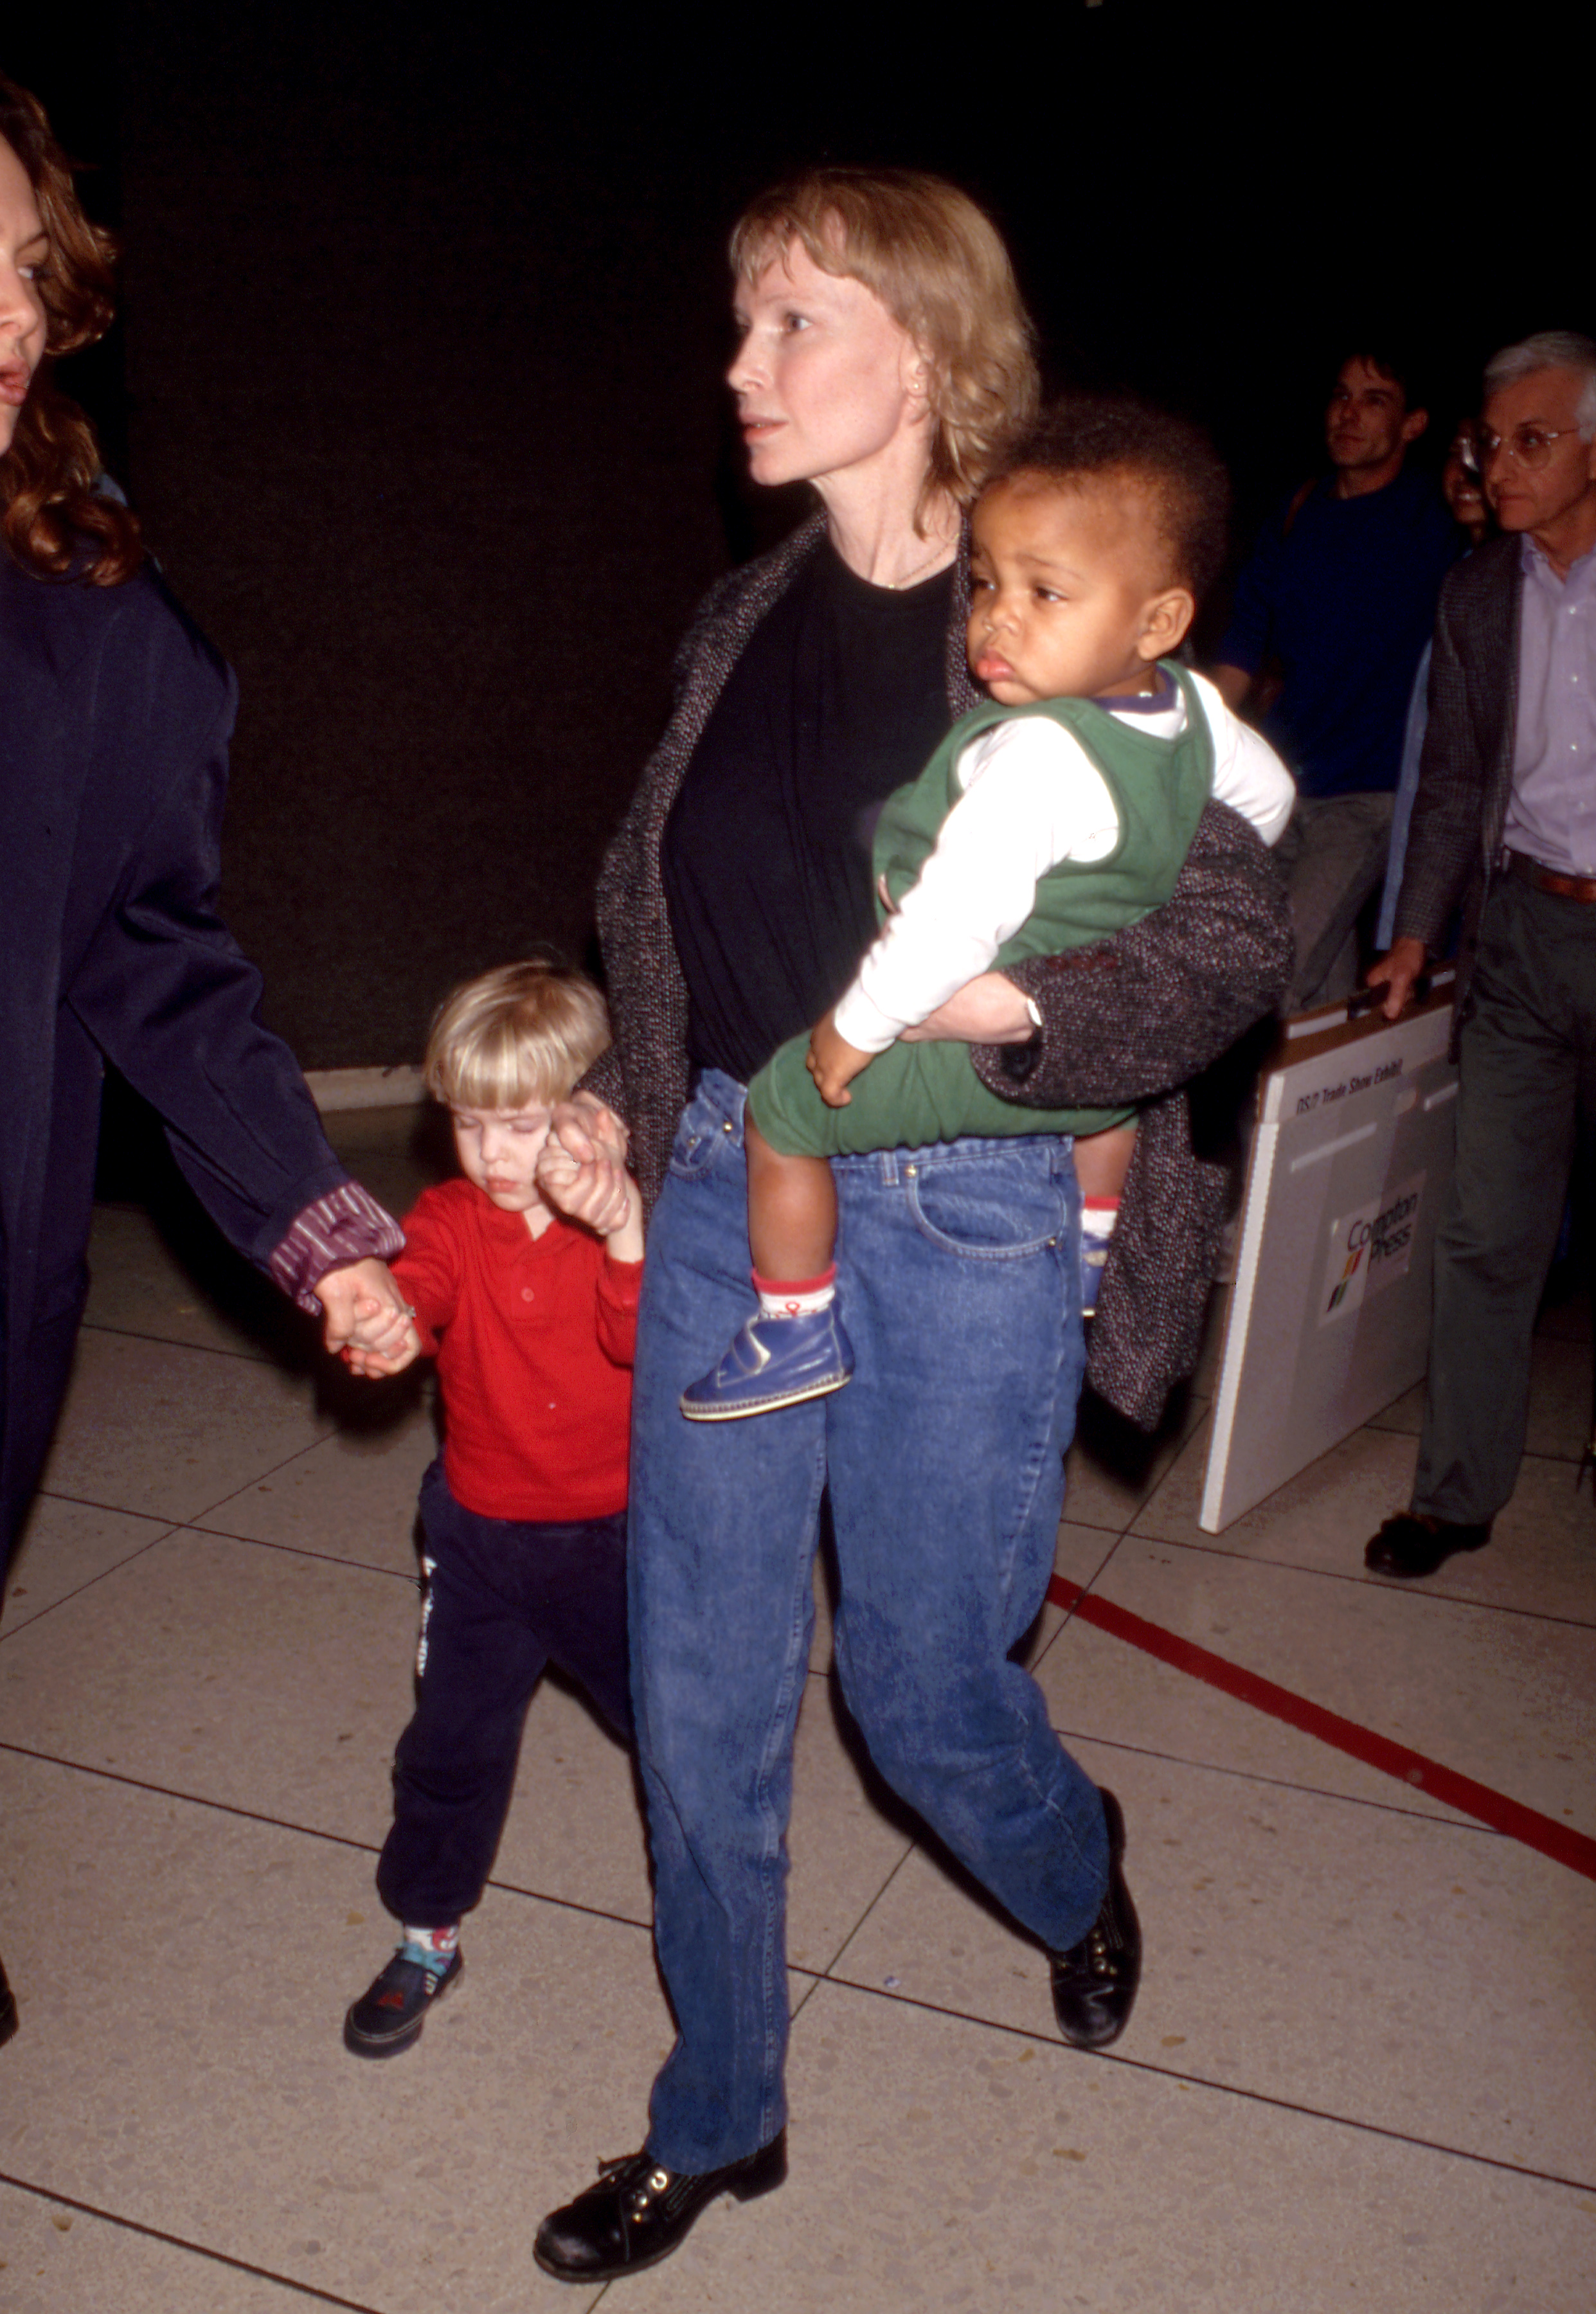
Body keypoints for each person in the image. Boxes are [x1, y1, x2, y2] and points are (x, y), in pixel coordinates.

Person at [531, 168, 1292, 2284]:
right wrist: (616, 1106)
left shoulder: (1065, 590)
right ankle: (718, 2111)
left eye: (792, 324)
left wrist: (1037, 1002)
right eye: (742, 322)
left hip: (968, 1198)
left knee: (931, 1691)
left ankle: (1070, 1868)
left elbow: (1233, 924)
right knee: (696, 1680)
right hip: (722, 1177)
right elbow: (669, 901)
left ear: (930, 353)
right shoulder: (742, 613)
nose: (738, 364)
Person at [0, 77, 418, 2047]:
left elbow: (149, 953)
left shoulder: (93, 624)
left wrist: (320, 1227)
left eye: (19, 270)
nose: (5, 317)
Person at [683, 396, 1294, 1418]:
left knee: (780, 1113)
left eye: (1045, 593)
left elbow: (947, 926)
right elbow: (1268, 800)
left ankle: (791, 1326)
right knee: (1113, 1112)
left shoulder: (1036, 753)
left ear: (1158, 619)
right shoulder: (1192, 710)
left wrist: (848, 1033)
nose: (998, 616)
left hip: (964, 1059)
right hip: (1093, 1092)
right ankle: (1092, 1243)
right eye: (986, 583)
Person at [341, 961, 645, 2056]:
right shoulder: (451, 1215)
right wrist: (386, 1315)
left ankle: (710, 1918)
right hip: (476, 1538)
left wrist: (622, 1238)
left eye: (524, 1128)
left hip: (615, 1544)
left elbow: (639, 1344)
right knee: (449, 1748)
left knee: (670, 1738)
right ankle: (429, 1932)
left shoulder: (625, 1218)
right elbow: (418, 1281)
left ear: (597, 1117)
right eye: (471, 1125)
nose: (494, 1157)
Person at [1363, 330, 1596, 1581]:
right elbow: (1450, 780)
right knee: (1483, 1226)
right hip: (1516, 937)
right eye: (1485, 441)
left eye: (1527, 440)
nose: (1494, 465)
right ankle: (1452, 1494)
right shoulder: (1472, 594)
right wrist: (1410, 936)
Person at [1213, 350, 1458, 1009]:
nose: (1348, 413)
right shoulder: (1296, 511)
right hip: (1281, 782)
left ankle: (1232, 1115)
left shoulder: (1434, 519)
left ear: (1412, 423)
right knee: (1308, 983)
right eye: (1340, 396)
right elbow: (1244, 637)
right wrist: (1194, 730)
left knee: (1266, 977)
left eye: (1373, 399)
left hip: (1367, 793)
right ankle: (1319, 1113)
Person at [1376, 418, 1496, 950]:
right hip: (1435, 844)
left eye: (1484, 450)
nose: (1468, 468)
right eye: (1456, 452)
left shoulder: (1531, 586)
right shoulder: (1454, 577)